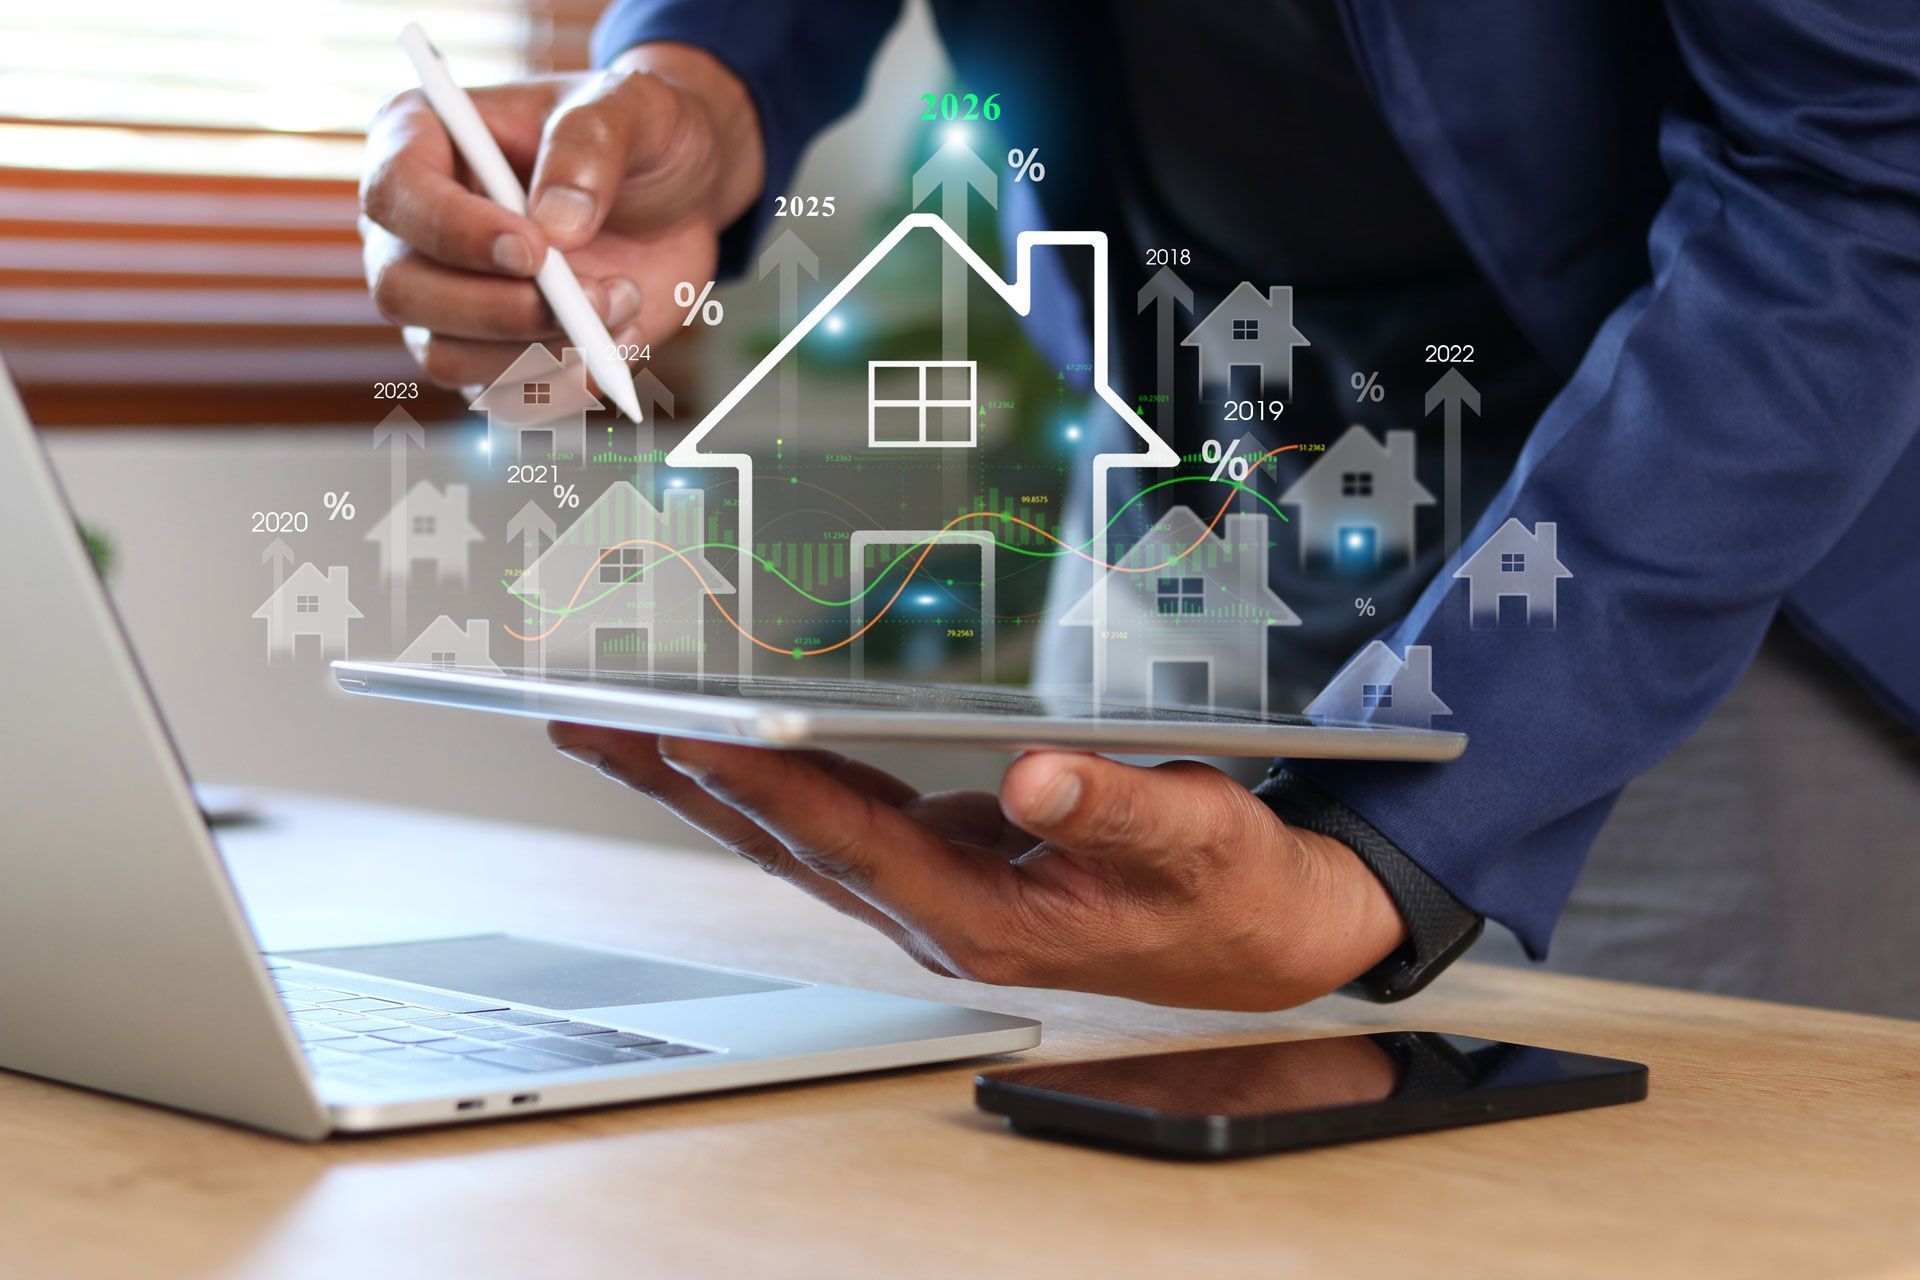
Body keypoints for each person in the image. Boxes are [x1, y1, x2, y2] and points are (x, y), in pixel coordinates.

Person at [360, 1, 1920, 1014]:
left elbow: (1859, 186)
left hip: (1701, 523)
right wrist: (701, 76)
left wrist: (1399, 844)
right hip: (1186, 465)